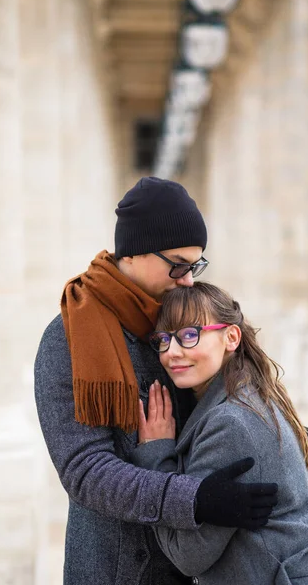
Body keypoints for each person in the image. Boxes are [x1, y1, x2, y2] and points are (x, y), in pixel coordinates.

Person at [34, 177, 278, 585]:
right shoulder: (67, 338)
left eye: (195, 266)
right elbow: (85, 471)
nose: (187, 280)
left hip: (190, 565)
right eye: (178, 264)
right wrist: (195, 500)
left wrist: (275, 440)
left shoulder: (180, 319)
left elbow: (226, 393)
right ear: (134, 253)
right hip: (114, 569)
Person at [131, 282, 308, 585]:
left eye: (189, 335)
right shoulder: (254, 393)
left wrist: (156, 453)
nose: (173, 352)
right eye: (164, 340)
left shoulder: (231, 424)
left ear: (231, 337)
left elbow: (188, 556)